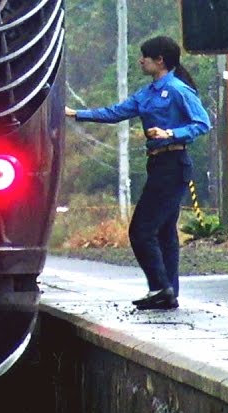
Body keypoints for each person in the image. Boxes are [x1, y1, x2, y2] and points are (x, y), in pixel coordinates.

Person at [65, 36, 211, 311]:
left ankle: (160, 287)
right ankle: (168, 292)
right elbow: (116, 112)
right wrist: (76, 114)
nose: (141, 61)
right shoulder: (147, 93)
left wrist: (170, 133)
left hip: (174, 163)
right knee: (165, 231)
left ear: (160, 60)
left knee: (142, 230)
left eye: (145, 56)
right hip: (156, 164)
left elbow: (202, 123)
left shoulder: (178, 90)